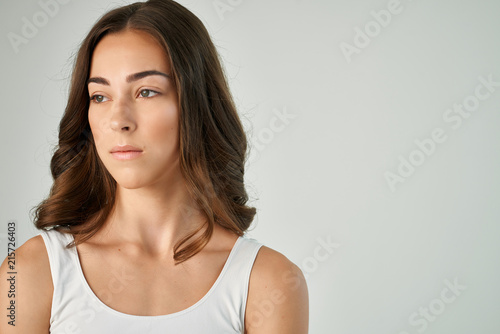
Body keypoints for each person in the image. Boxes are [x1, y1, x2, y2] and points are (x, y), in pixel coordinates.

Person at [0, 0, 308, 333]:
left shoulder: (268, 282)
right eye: (100, 96)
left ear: (195, 104)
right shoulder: (30, 272)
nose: (119, 120)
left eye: (146, 92)